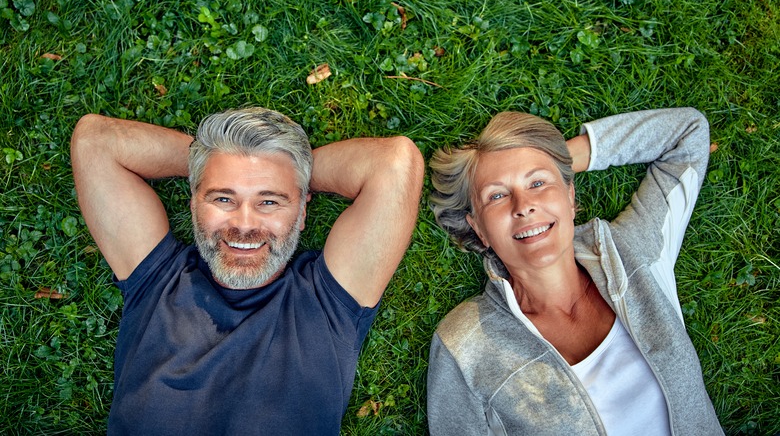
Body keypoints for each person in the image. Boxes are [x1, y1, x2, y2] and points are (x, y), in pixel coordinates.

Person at [70, 107, 424, 435]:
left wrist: (286, 167)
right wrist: (209, 161)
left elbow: (395, 163)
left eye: (269, 201)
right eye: (223, 198)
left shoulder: (330, 302)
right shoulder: (157, 278)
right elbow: (95, 141)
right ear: (194, 204)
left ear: (302, 212)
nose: (244, 224)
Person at [426, 108, 723, 435]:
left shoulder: (632, 252)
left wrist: (558, 158)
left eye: (537, 183)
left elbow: (687, 135)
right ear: (479, 229)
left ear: (570, 196)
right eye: (497, 195)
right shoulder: (463, 345)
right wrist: (546, 169)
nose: (523, 205)